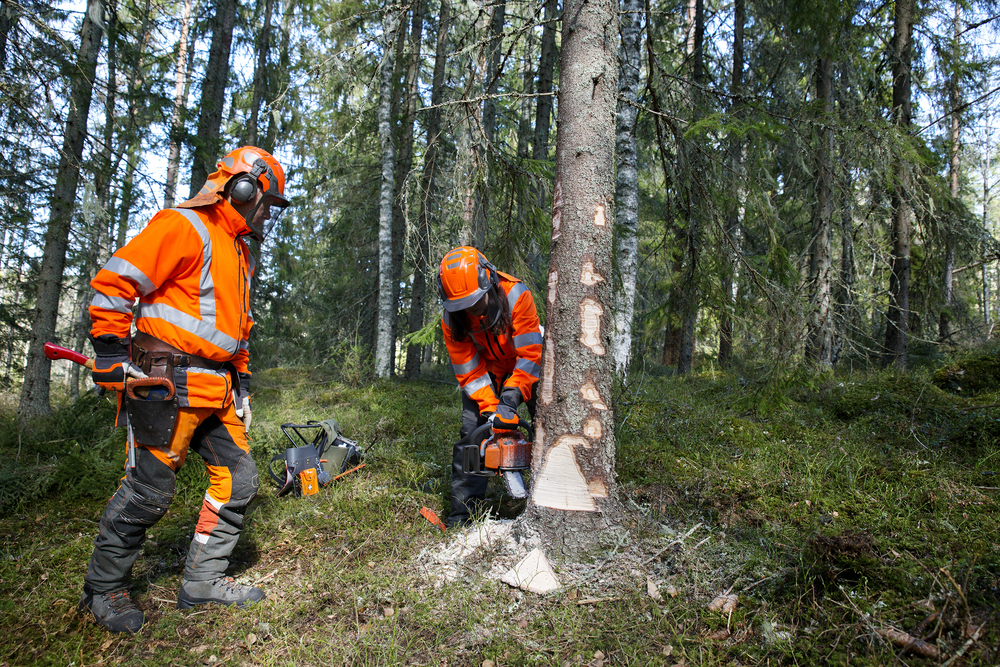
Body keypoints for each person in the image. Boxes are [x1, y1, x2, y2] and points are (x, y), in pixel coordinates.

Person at [78, 146, 290, 634]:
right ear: (243, 187)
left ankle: (202, 581)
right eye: (266, 202)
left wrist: (244, 383)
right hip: (165, 382)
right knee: (150, 491)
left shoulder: (239, 252)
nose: (267, 214)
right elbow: (114, 282)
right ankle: (104, 587)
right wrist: (110, 349)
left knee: (238, 481)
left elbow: (236, 330)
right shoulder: (183, 226)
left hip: (216, 387)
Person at [437, 247, 543, 527]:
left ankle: (548, 494)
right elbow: (469, 371)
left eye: (475, 302)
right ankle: (463, 515)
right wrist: (491, 408)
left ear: (489, 282)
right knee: (472, 432)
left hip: (525, 363)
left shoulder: (516, 294)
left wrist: (510, 399)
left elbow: (531, 354)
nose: (470, 310)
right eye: (462, 307)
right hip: (488, 371)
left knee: (547, 420)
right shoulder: (451, 319)